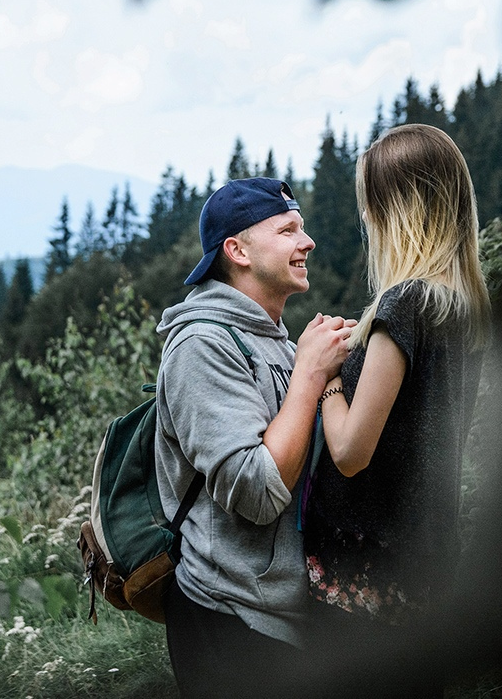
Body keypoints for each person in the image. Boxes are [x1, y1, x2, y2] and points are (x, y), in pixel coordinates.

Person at [302, 124, 491, 696]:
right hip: (426, 558)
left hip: (364, 574)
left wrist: (327, 378)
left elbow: (353, 452)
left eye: (371, 207)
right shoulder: (463, 306)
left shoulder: (404, 304)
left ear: (397, 210)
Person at [154, 176, 353, 699]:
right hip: (229, 622)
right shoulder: (201, 346)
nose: (306, 242)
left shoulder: (273, 341)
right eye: (287, 230)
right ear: (237, 250)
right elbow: (258, 492)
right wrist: (310, 374)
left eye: (302, 229)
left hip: (275, 618)